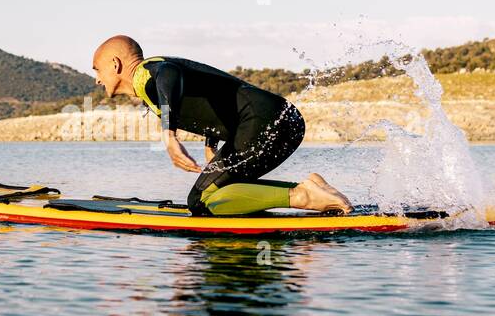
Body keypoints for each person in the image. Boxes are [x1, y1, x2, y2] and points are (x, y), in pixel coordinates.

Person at [91, 35, 353, 216]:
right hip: (282, 119)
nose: (97, 80)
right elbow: (215, 94)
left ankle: (303, 196)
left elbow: (170, 75)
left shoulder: (149, 73)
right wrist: (211, 143)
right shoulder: (151, 82)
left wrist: (168, 135)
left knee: (200, 201)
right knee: (223, 189)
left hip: (264, 121)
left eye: (97, 70)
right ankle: (314, 187)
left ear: (115, 64)